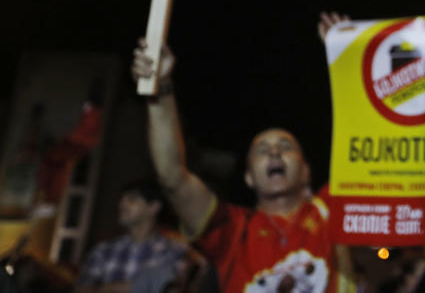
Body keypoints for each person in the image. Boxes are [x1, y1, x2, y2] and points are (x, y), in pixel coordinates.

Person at [130, 39, 355, 293]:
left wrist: (349, 56)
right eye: (262, 150)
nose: (274, 152)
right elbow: (172, 177)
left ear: (306, 172)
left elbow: (379, 147)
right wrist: (161, 89)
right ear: (249, 178)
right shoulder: (231, 230)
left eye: (286, 146)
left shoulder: (333, 211)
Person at [75, 179, 186, 293]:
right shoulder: (103, 251)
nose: (122, 203)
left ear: (153, 207)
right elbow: (82, 288)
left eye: (132, 199)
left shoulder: (172, 251)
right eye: (122, 198)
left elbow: (174, 288)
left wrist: (109, 288)